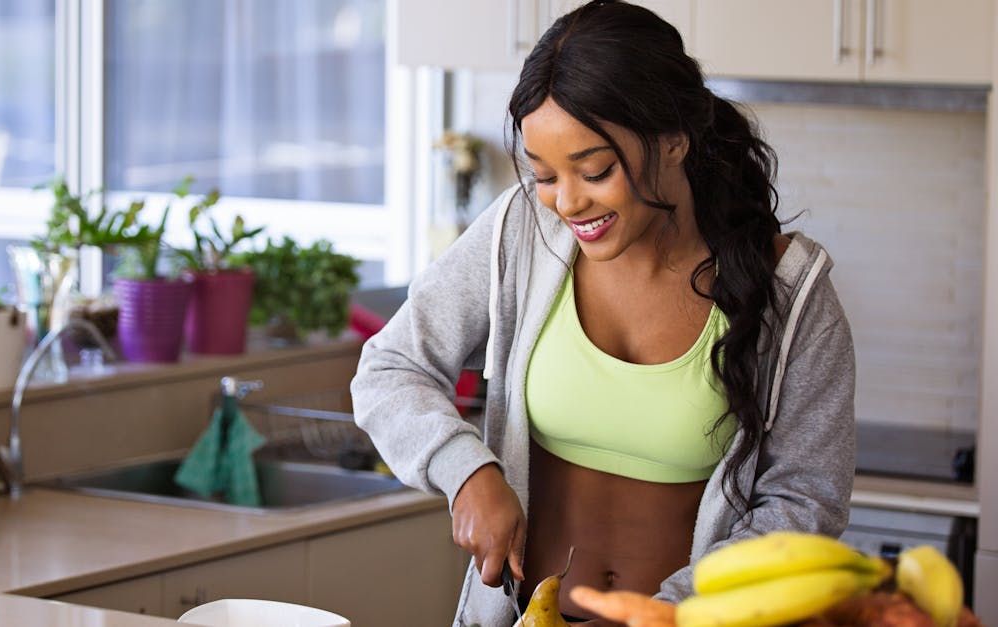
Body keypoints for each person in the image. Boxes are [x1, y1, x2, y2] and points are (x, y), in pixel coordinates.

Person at [350, 1, 856, 625]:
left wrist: (665, 613)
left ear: (674, 140)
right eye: (543, 175)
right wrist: (467, 470)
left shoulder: (791, 293)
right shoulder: (519, 232)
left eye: (594, 171)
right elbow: (389, 368)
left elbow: (806, 503)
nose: (567, 202)